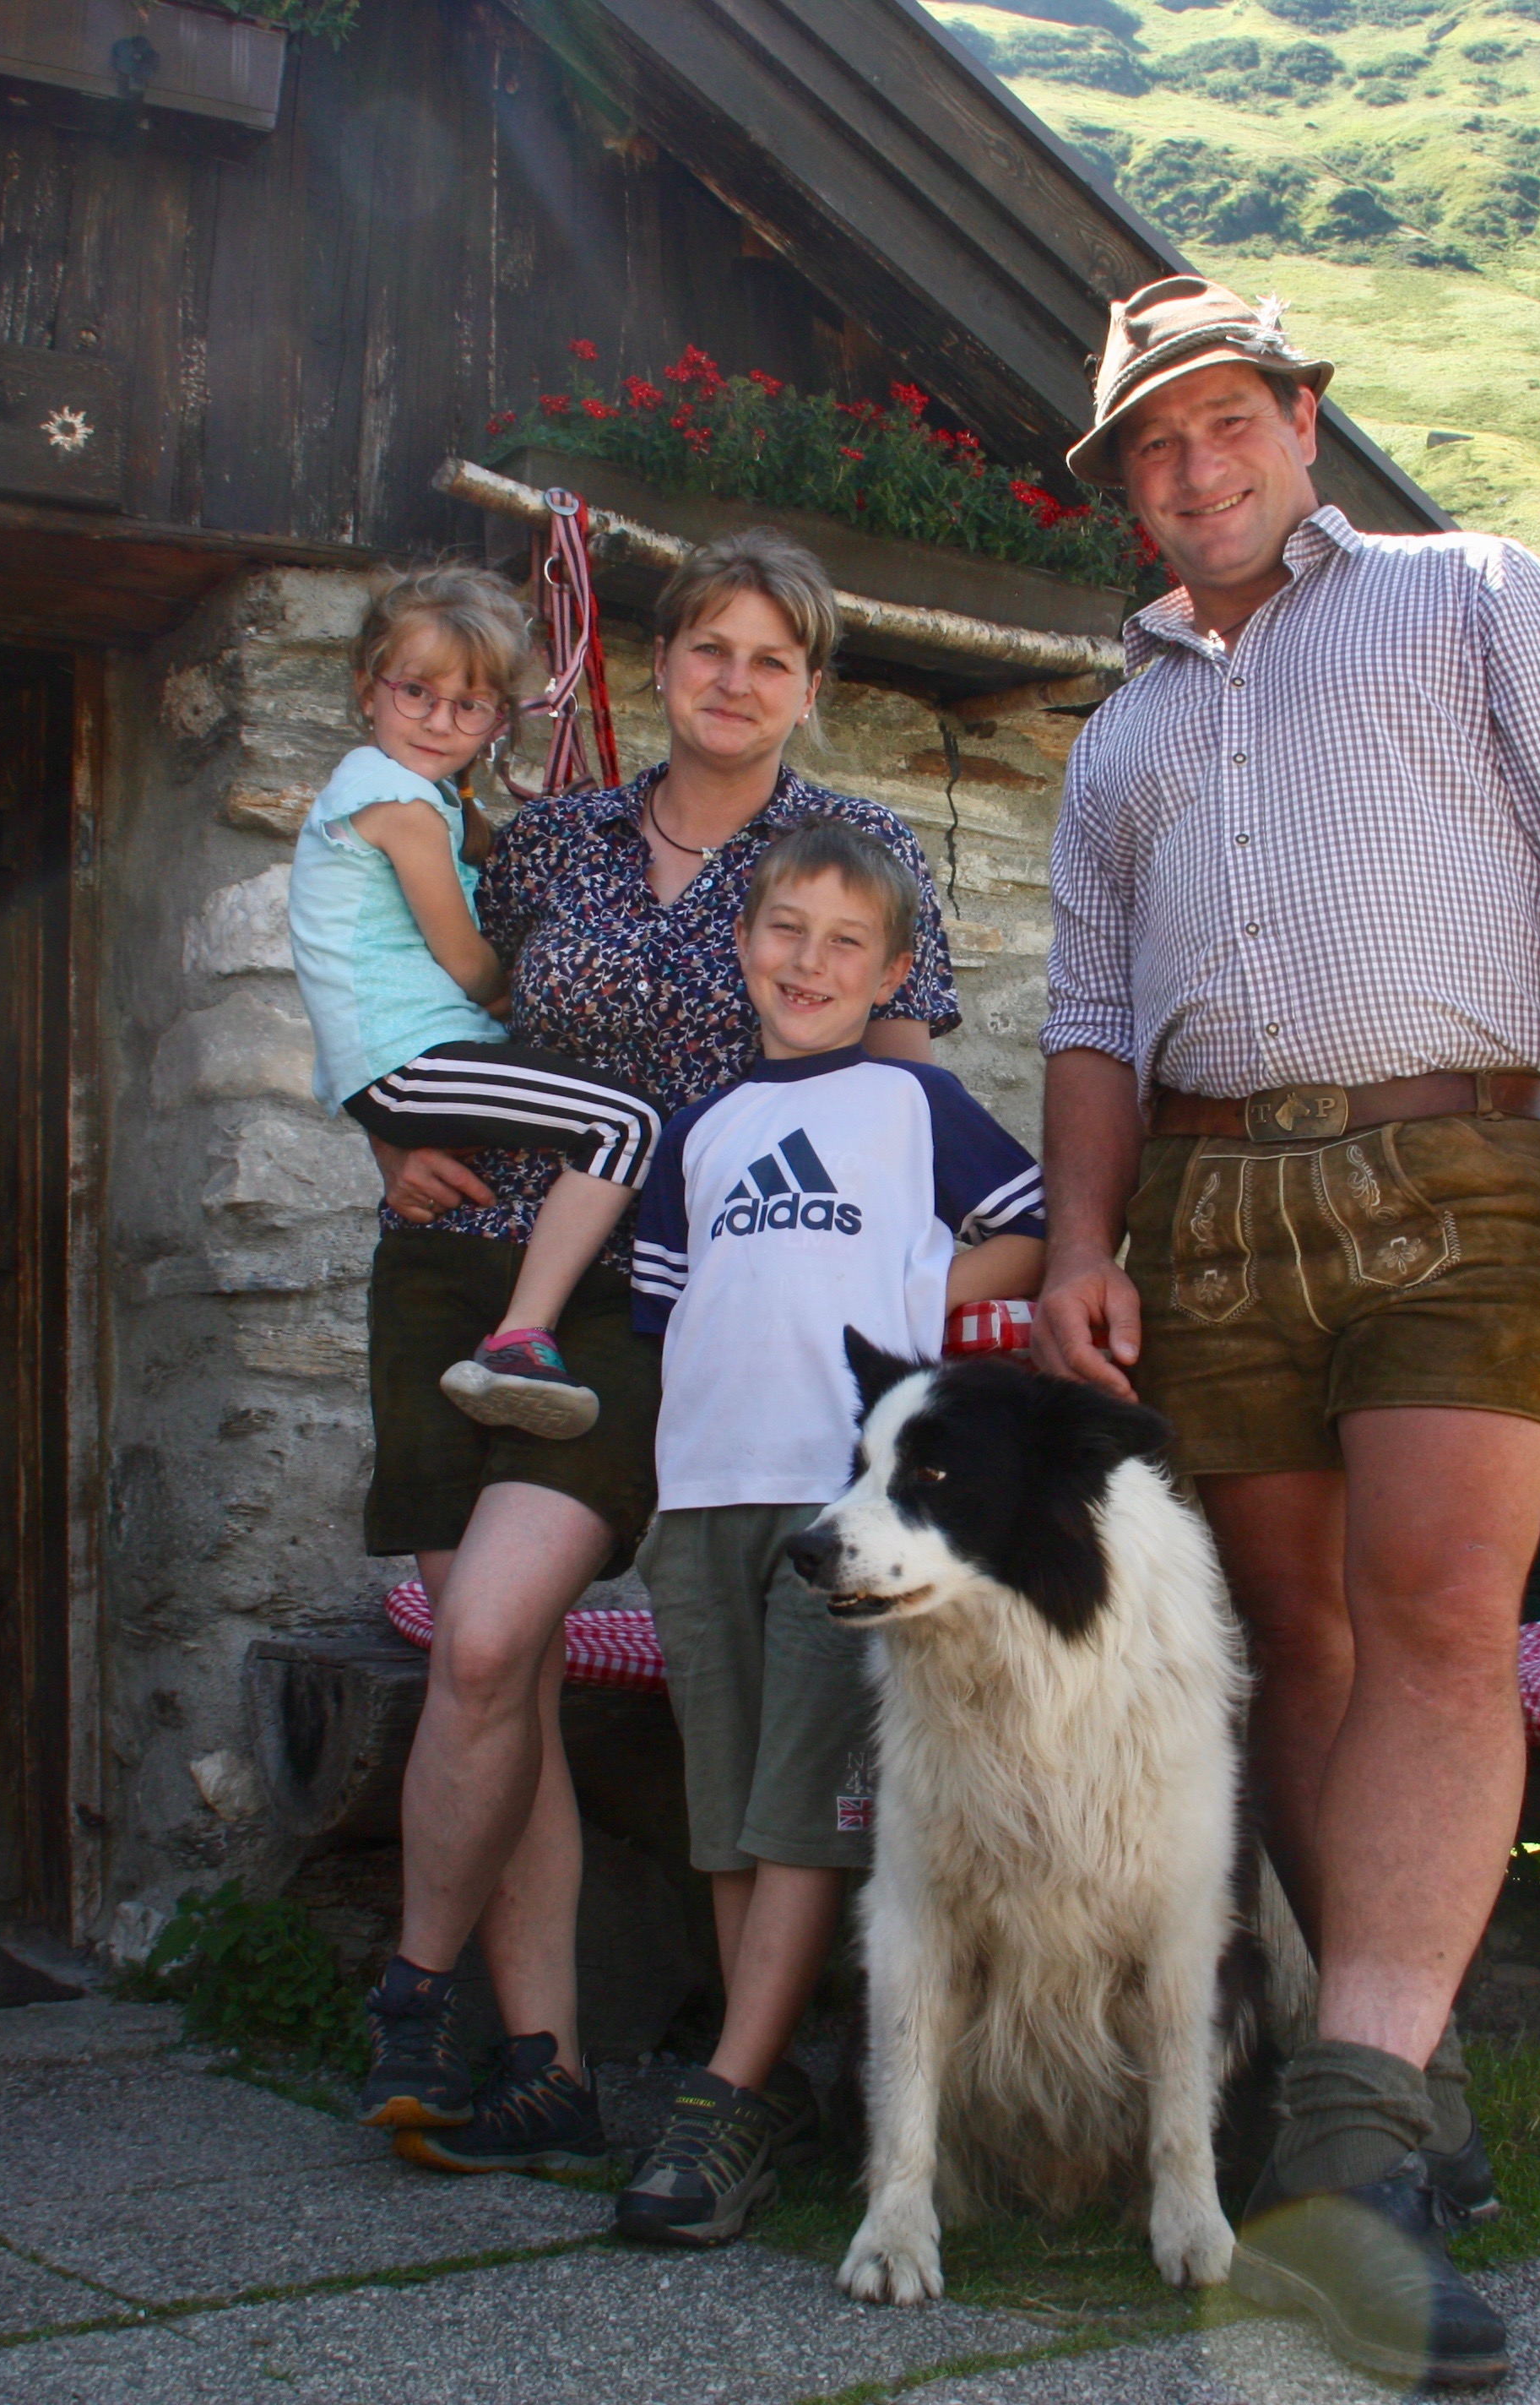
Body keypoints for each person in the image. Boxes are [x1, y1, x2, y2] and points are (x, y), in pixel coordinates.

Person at [1033, 275, 1540, 2389]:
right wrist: (1077, 1232)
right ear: (1127, 495)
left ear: (1303, 421)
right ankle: (1393, 2074)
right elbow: (1080, 1019)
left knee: (1433, 1619)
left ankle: (1342, 2169)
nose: (1194, 465)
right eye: (1153, 446)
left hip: (1462, 1168)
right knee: (1302, 1644)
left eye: (1225, 419)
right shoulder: (1118, 730)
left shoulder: (1473, 595)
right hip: (1211, 1198)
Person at [352, 529, 966, 2183]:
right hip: (453, 1272)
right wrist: (378, 1134)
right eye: (709, 646)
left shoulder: (855, 852)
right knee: (506, 1671)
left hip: (645, 1309)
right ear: (659, 662)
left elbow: (901, 1119)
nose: (735, 680)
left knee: (489, 1632)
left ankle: (429, 1997)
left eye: (773, 657)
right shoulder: (549, 841)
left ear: (811, 689)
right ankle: (540, 2058)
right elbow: (416, 1005)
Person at [611, 821, 1045, 2246]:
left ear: (896, 970)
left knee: (803, 1812)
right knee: (731, 1816)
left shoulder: (910, 1101)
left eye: (845, 941)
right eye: (784, 930)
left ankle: (725, 2094)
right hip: (697, 1500)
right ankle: (768, 2082)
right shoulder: (700, 1125)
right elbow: (668, 1312)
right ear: (744, 945)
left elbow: (1029, 1222)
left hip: (833, 1501)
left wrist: (919, 1307)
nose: (809, 962)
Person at [290, 567, 665, 1441]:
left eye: (471, 707)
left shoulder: (401, 795)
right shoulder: (399, 809)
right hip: (412, 1062)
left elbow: (479, 840)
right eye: (416, 692)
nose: (439, 722)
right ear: (366, 687)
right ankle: (522, 1337)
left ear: (500, 721)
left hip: (392, 1065)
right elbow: (463, 958)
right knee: (628, 1125)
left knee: (595, 1120)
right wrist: (513, 997)